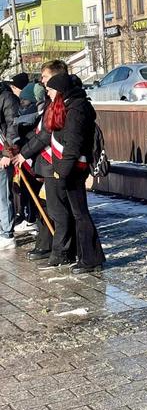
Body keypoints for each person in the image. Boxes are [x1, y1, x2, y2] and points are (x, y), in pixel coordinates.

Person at [41, 73, 105, 274]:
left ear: (59, 91)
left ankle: (90, 259)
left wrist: (63, 171)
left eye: (50, 90)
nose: (48, 93)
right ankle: (87, 255)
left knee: (80, 214)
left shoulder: (76, 109)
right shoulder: (69, 105)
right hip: (68, 168)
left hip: (74, 168)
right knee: (77, 213)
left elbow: (74, 143)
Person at [13, 61, 73, 263]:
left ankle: (61, 251)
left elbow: (47, 134)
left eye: (45, 78)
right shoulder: (50, 102)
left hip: (54, 163)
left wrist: (24, 153)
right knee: (45, 207)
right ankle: (47, 244)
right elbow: (39, 129)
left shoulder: (63, 103)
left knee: (57, 210)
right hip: (44, 163)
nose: (42, 82)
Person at [8, 82, 46, 234]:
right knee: (26, 191)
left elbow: (38, 137)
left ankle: (34, 220)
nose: (22, 104)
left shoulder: (38, 116)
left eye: (25, 101)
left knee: (36, 194)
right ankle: (31, 218)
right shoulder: (24, 116)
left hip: (35, 159)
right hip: (26, 157)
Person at [0, 79, 19, 249]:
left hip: (3, 153)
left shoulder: (6, 97)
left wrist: (8, 153)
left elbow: (13, 126)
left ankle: (6, 233)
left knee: (3, 195)